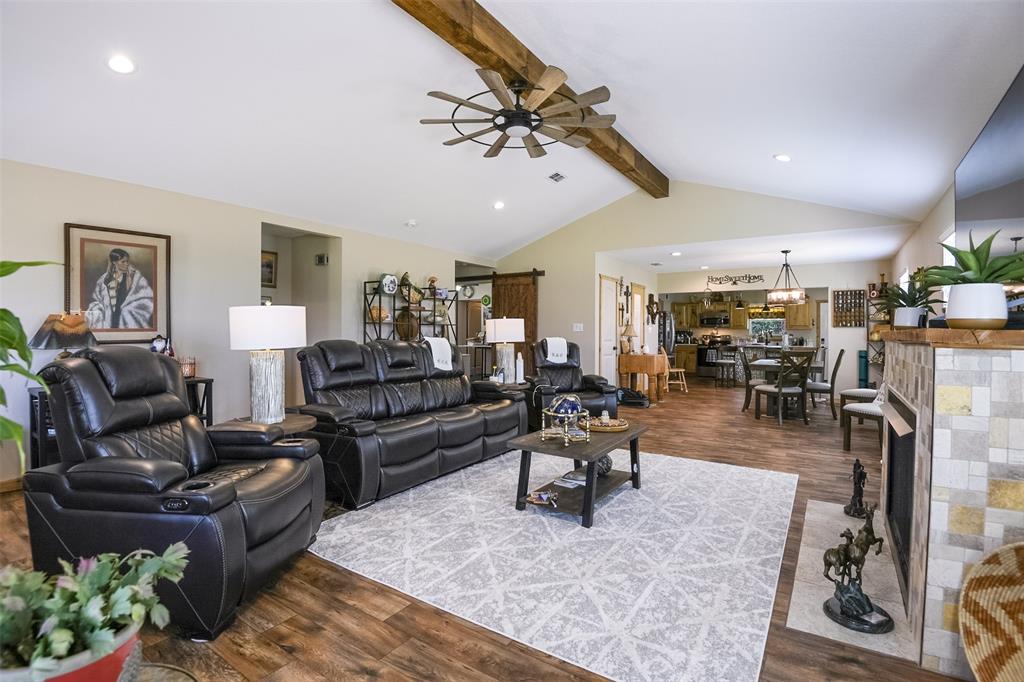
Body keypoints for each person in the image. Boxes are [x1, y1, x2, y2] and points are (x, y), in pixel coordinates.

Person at [85, 248, 154, 329]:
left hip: (126, 322)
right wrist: (97, 310)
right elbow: (97, 300)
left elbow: (146, 297)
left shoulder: (134, 278)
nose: (126, 264)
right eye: (123, 262)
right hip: (109, 322)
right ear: (114, 262)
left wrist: (127, 309)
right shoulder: (104, 280)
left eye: (127, 261)